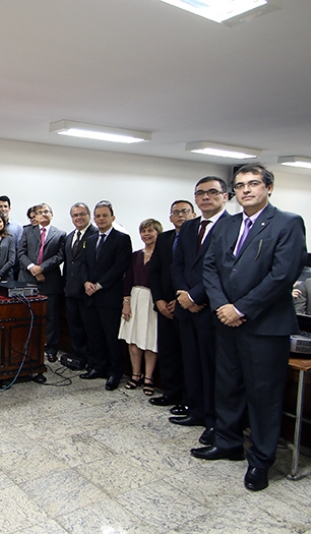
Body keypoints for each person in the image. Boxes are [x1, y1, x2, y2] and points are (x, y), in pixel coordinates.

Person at [194, 163, 306, 492]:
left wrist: (241, 308)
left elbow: (282, 275)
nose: (246, 189)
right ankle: (227, 442)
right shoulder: (227, 225)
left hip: (264, 326)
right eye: (240, 184)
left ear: (268, 188)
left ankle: (260, 460)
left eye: (253, 183)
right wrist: (221, 306)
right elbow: (211, 267)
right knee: (226, 386)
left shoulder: (287, 223)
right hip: (226, 322)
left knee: (263, 396)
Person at [170, 176, 229, 447]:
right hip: (186, 307)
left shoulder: (232, 226)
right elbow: (178, 264)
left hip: (211, 309)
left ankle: (215, 420)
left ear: (225, 196)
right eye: (200, 193)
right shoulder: (190, 227)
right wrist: (184, 294)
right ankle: (195, 410)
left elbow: (224, 269)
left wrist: (196, 296)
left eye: (212, 192)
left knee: (212, 367)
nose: (206, 197)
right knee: (191, 362)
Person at [79, 200, 132, 391]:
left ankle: (115, 372)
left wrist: (99, 285)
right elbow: (84, 264)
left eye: (104, 215)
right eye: (98, 216)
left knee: (112, 337)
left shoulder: (122, 238)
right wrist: (86, 282)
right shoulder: (90, 239)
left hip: (109, 295)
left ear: (112, 217)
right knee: (94, 336)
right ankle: (98, 367)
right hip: (90, 295)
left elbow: (120, 267)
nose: (101, 219)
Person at [148, 200, 195, 411]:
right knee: (168, 352)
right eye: (175, 212)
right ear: (169, 218)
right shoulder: (164, 238)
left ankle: (188, 399)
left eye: (184, 211)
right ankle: (171, 393)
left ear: (193, 214)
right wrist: (158, 299)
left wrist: (182, 299)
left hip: (187, 305)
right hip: (163, 305)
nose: (180, 215)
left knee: (187, 355)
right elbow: (155, 271)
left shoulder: (197, 239)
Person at [18, 204, 66, 363]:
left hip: (50, 281)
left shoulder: (60, 234)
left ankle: (51, 349)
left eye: (46, 212)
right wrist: (32, 268)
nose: (43, 214)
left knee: (51, 317)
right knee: (28, 314)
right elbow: (21, 253)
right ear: (35, 216)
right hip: (28, 280)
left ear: (52, 214)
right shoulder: (27, 231)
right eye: (39, 213)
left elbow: (60, 256)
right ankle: (28, 346)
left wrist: (42, 269)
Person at [119, 219, 162, 396]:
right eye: (143, 231)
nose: (147, 234)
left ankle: (149, 378)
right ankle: (136, 375)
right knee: (133, 340)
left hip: (153, 300)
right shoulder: (136, 255)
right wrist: (126, 303)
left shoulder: (163, 255)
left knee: (150, 340)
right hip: (134, 298)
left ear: (158, 233)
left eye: (151, 231)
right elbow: (128, 279)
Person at [62, 202, 98, 367]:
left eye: (82, 214)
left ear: (89, 216)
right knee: (74, 325)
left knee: (89, 327)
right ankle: (78, 355)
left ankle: (91, 359)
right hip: (70, 290)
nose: (79, 218)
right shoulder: (70, 237)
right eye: (75, 215)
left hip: (87, 291)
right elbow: (68, 265)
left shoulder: (96, 235)